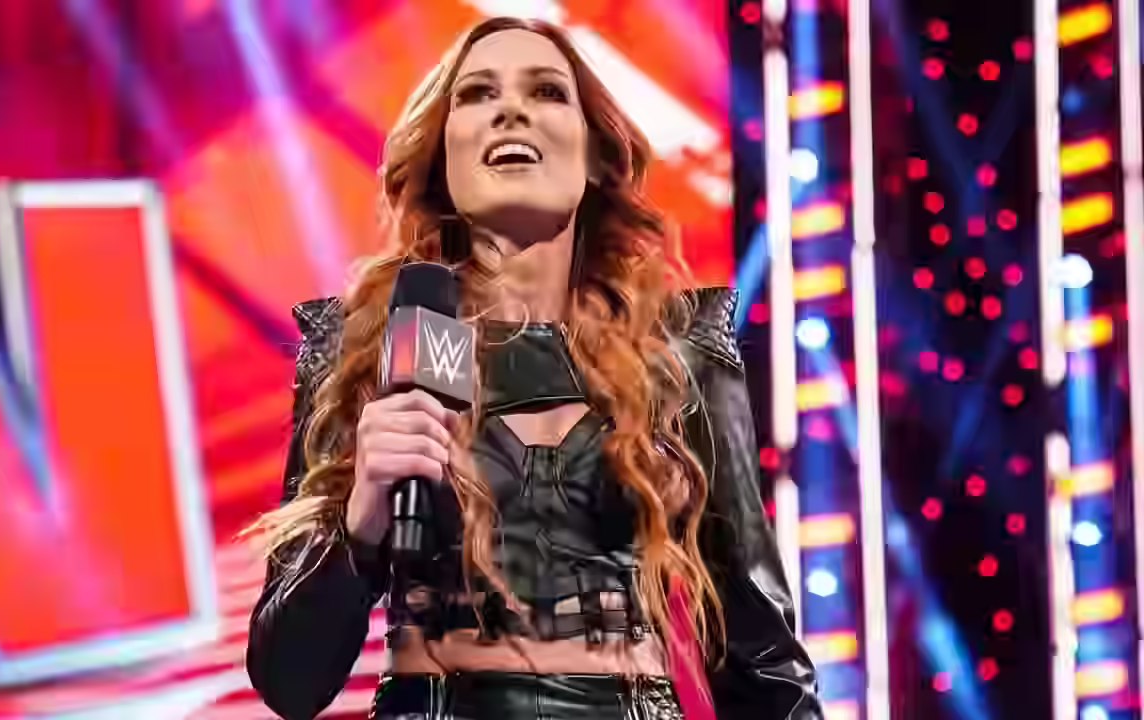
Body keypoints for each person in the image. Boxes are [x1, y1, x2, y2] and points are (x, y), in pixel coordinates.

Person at [245, 15, 820, 720]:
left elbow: (764, 660)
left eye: (546, 91)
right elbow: (289, 682)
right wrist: (361, 517)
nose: (510, 109)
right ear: (443, 155)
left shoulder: (678, 351)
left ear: (594, 154)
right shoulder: (364, 348)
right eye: (477, 94)